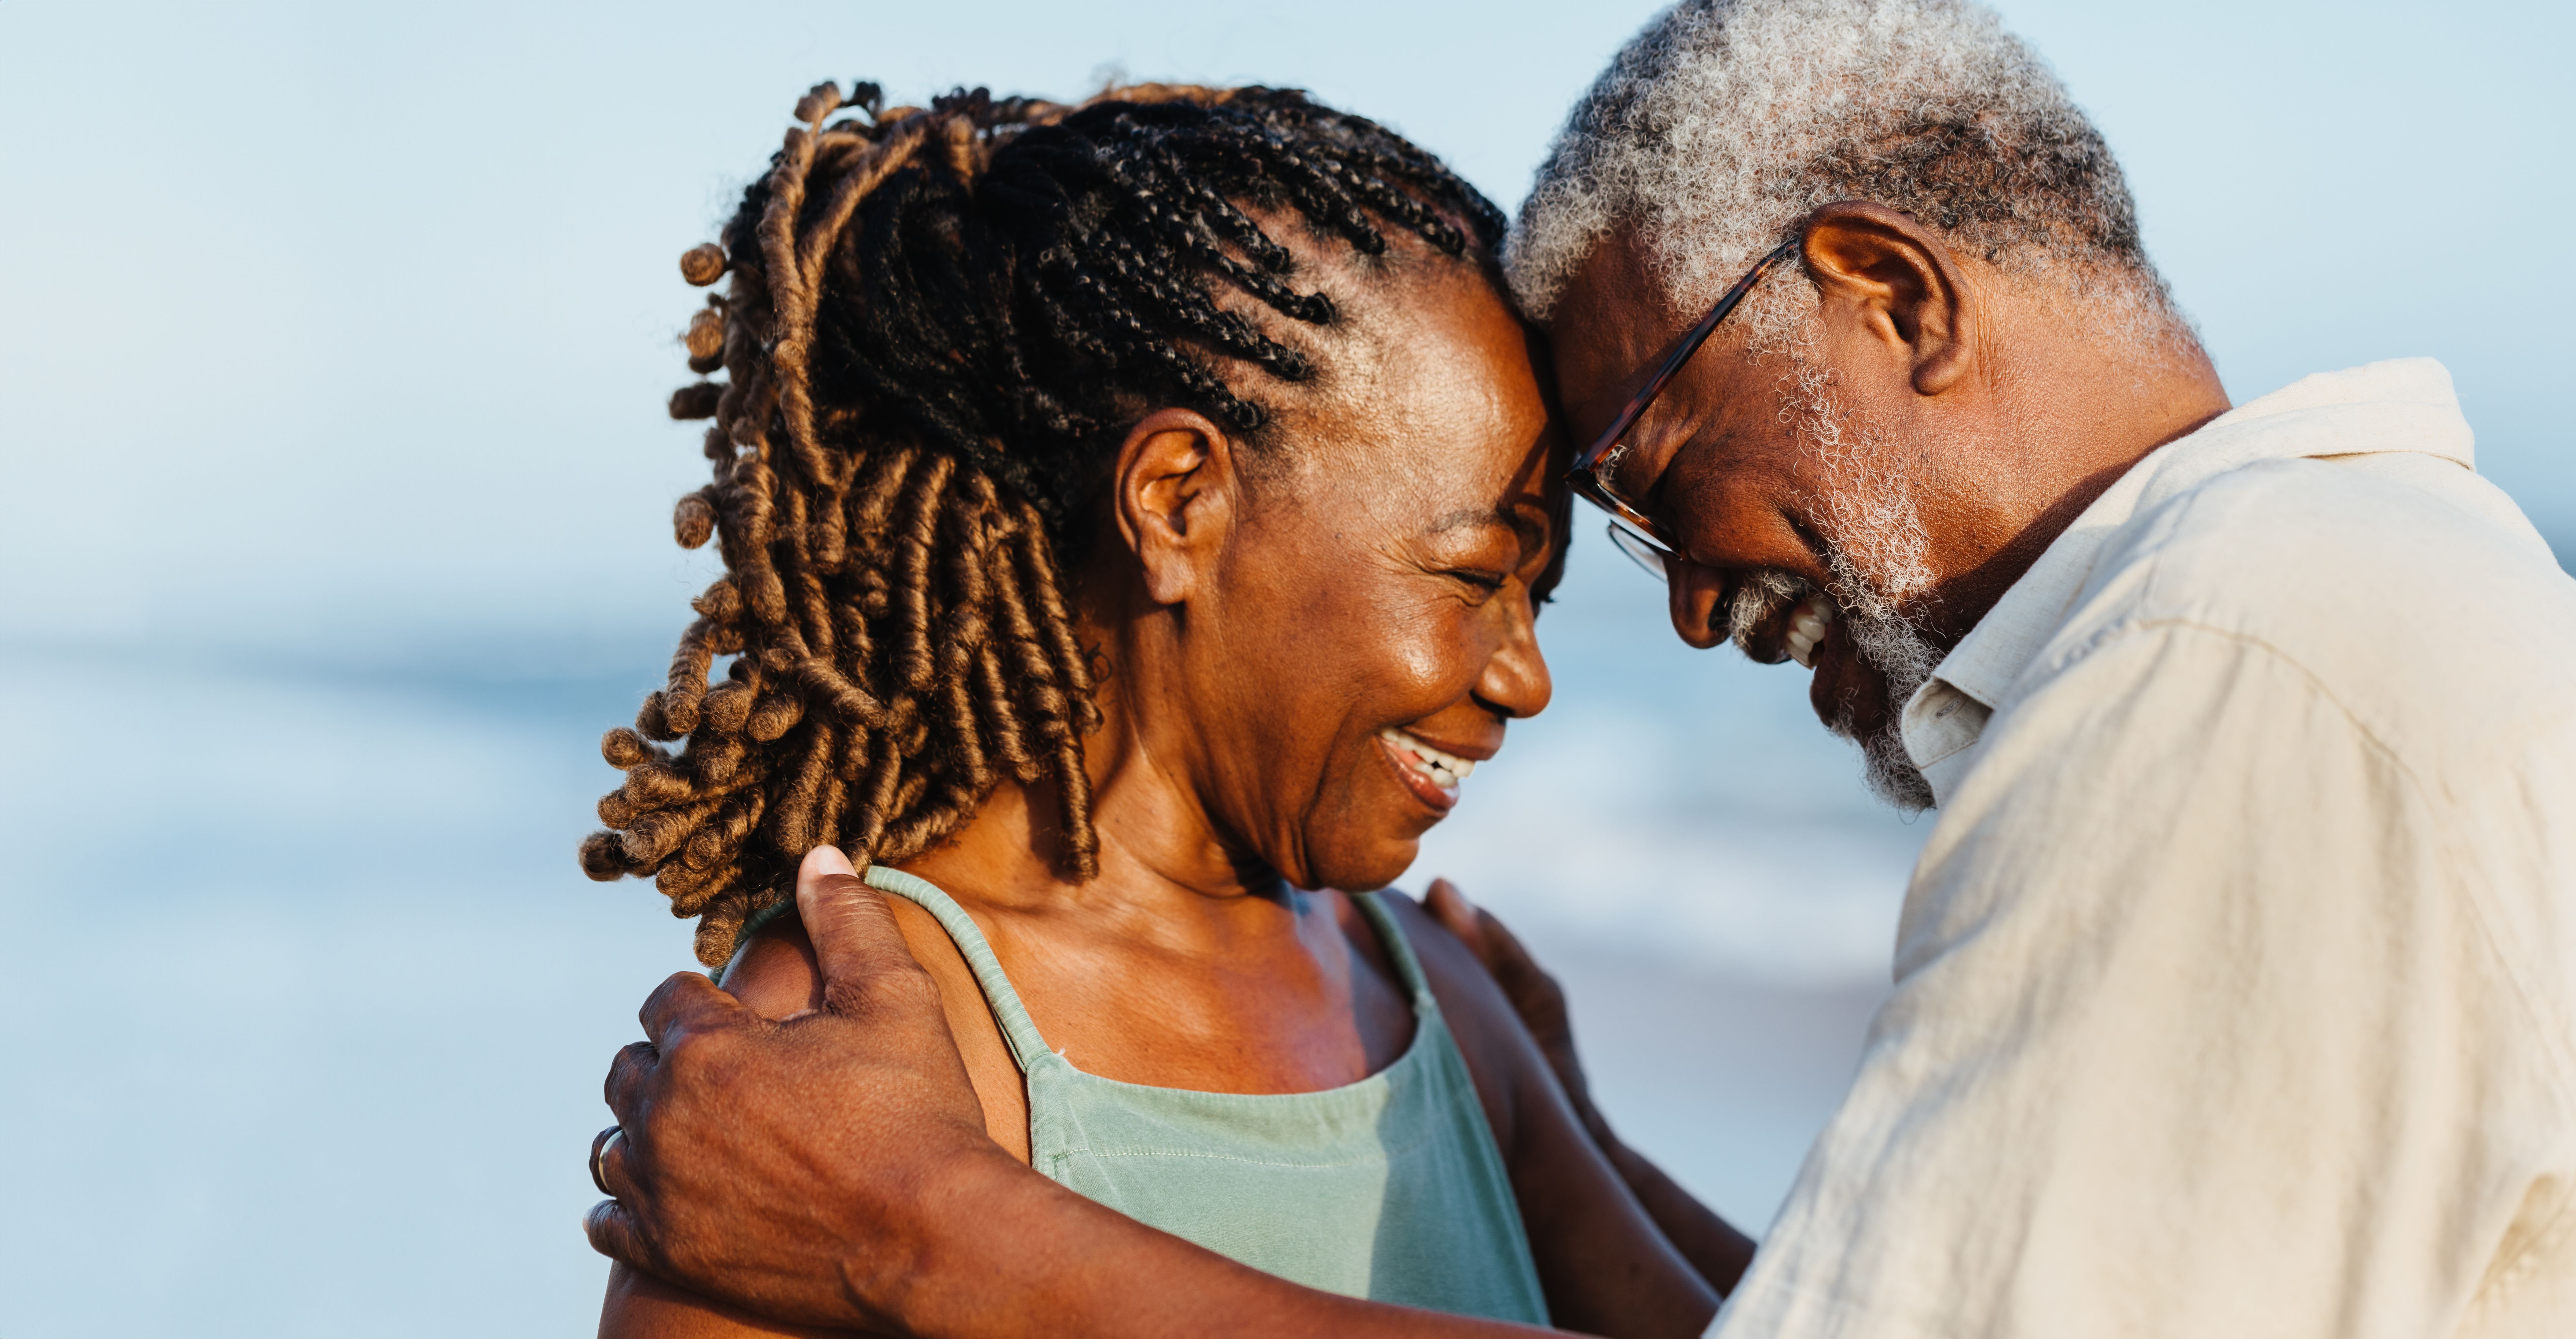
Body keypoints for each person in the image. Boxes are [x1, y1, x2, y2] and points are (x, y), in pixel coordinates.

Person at [586, 2, 2576, 1335]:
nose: (1661, 618)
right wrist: (1584, 1146)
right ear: (1178, 504)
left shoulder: (2229, 675)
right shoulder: (859, 1042)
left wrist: (926, 1225)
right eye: (1499, 560)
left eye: (1650, 477)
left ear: (1884, 291)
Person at [576, 80, 1751, 1338]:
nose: (1526, 675)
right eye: (1472, 576)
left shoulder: (1437, 1005)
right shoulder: (848, 1068)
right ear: (1178, 502)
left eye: (1541, 598)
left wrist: (1591, 1143)